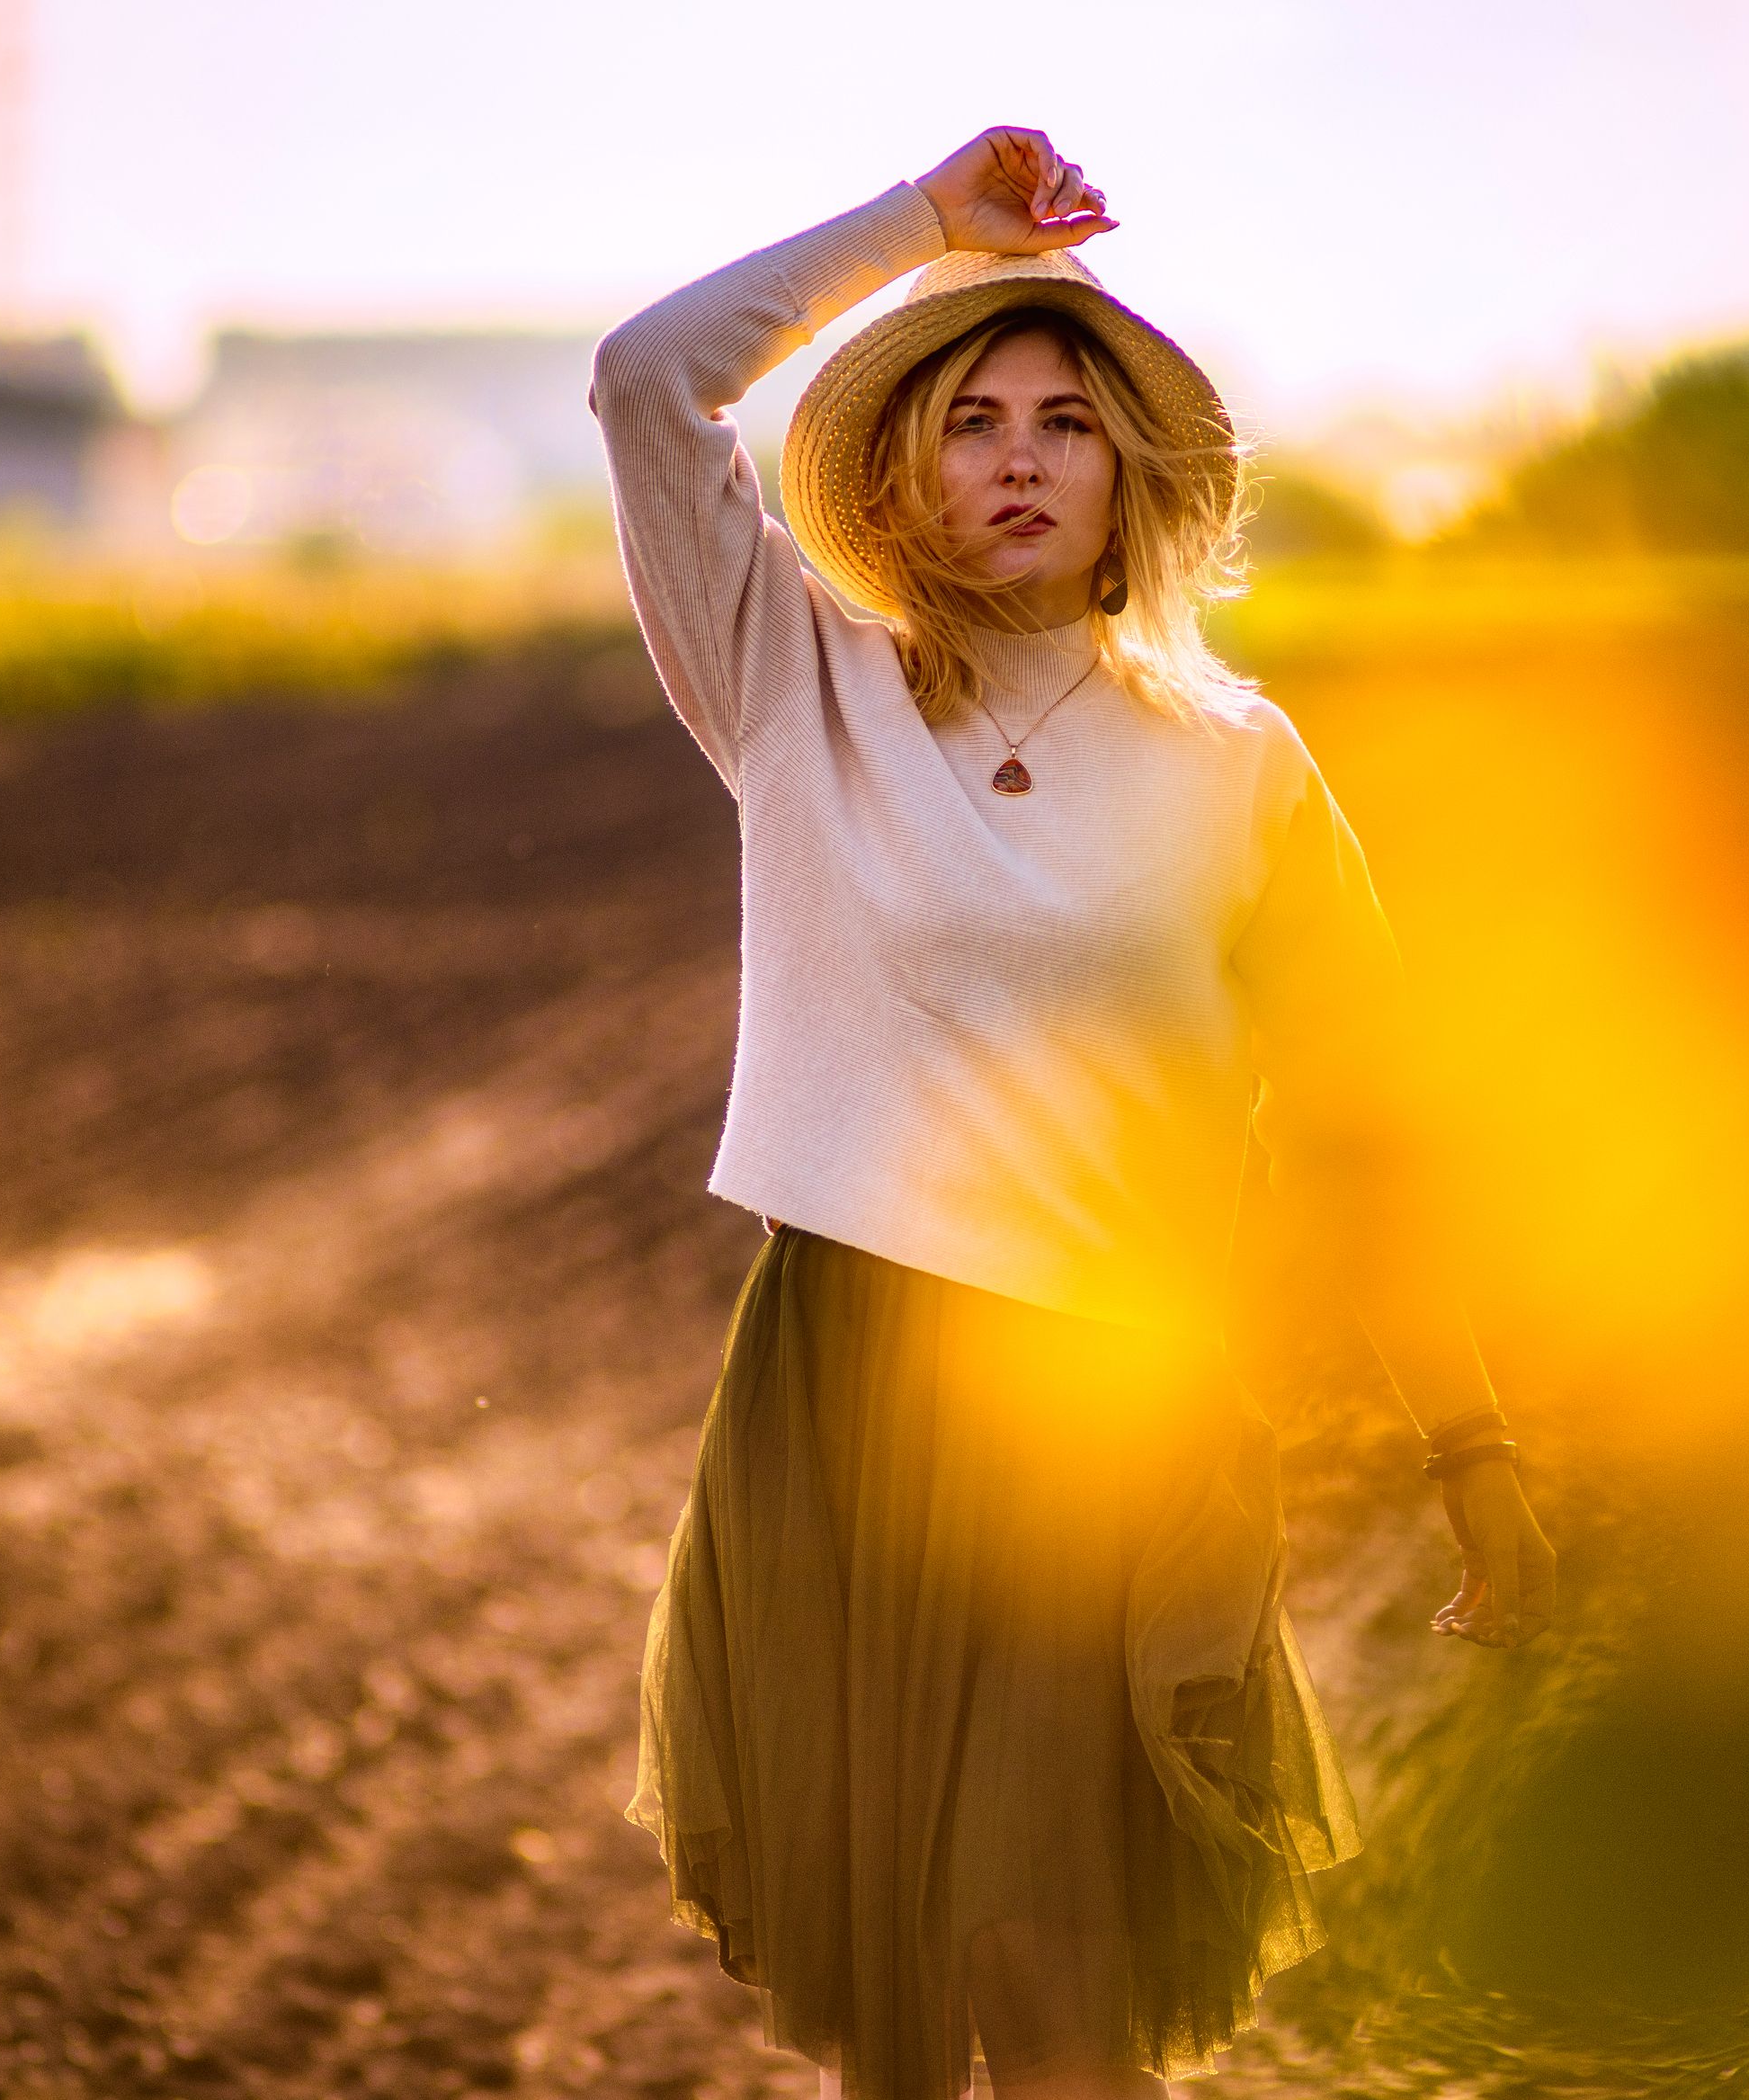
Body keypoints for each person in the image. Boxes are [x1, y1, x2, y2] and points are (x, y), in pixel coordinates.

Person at [591, 127, 1557, 2100]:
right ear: (902, 471)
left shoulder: (1238, 762)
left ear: (1132, 472)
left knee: (1061, 2020)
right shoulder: (797, 682)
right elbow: (644, 378)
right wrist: (918, 237)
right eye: (969, 420)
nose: (1017, 456)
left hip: (1108, 1414)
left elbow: (1364, 1131)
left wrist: (1473, 1443)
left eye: (1063, 420)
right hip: (845, 1394)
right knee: (896, 2045)